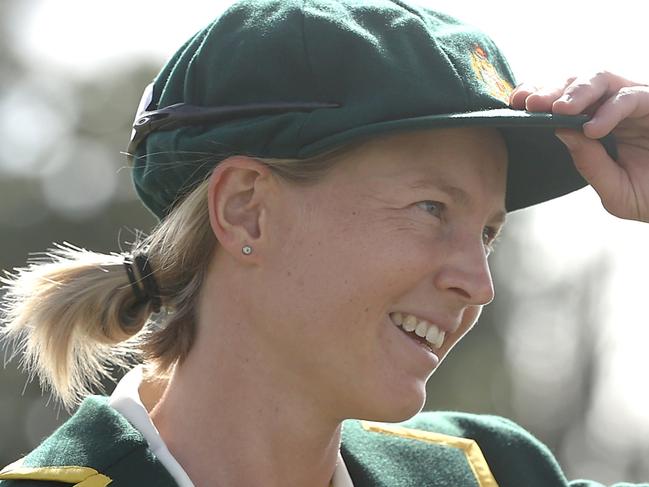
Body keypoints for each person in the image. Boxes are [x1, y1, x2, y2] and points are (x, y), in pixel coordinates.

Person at [0, 0, 647, 486]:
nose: (478, 284)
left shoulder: (491, 472)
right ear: (247, 211)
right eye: (431, 208)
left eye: (487, 233)